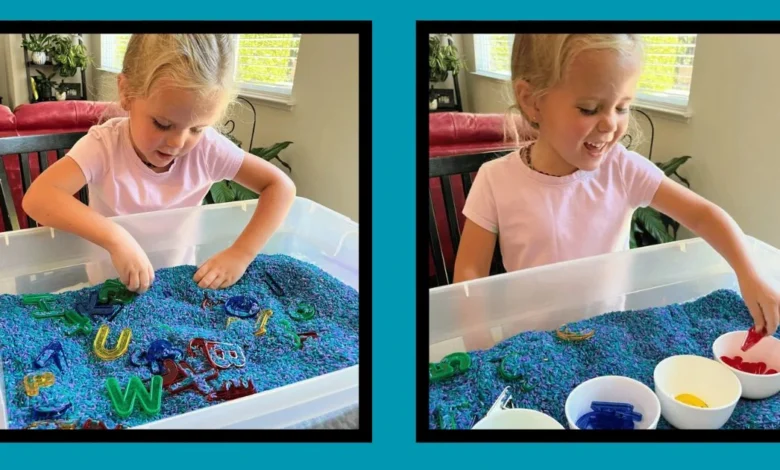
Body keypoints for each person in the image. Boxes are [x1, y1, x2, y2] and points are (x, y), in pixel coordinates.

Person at [453, 34, 780, 335]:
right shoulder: (495, 180)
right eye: (589, 108)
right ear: (532, 101)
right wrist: (480, 351)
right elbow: (469, 275)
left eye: (622, 107)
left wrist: (748, 275)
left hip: (608, 339)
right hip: (530, 349)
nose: (611, 123)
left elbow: (702, 215)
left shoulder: (623, 169)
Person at [23, 34, 296, 294]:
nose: (178, 142)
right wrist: (116, 238)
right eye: (162, 124)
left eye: (197, 128)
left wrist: (241, 254)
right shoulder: (104, 146)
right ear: (126, 92)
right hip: (108, 286)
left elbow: (280, 187)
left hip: (177, 284)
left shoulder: (207, 148)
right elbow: (38, 198)